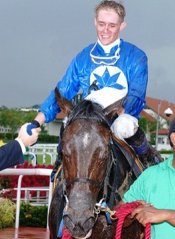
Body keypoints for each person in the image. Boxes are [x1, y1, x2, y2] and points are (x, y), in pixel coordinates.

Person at [27, 0, 161, 179]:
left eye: (112, 25)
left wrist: (119, 111)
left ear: (122, 25)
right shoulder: (83, 58)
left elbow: (137, 95)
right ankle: (59, 175)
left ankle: (150, 163)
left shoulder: (136, 56)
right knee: (69, 124)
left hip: (120, 116)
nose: (105, 30)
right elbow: (63, 90)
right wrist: (37, 122)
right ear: (94, 22)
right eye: (101, 24)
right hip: (90, 118)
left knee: (125, 126)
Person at [123, 118, 175, 239]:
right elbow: (118, 211)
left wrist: (166, 214)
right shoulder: (151, 175)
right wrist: (132, 208)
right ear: (174, 138)